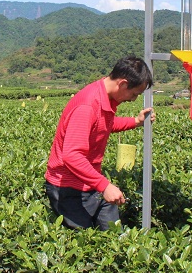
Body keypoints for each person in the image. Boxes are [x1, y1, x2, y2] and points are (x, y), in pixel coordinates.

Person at [44, 56, 156, 230]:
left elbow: (104, 125)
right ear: (123, 84)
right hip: (68, 189)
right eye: (134, 94)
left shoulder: (105, 97)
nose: (133, 99)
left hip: (90, 182)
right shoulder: (88, 105)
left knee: (113, 235)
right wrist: (104, 186)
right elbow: (72, 155)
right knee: (86, 244)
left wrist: (136, 121)